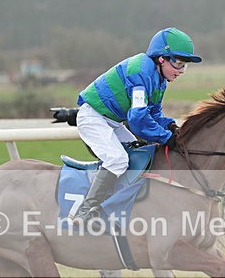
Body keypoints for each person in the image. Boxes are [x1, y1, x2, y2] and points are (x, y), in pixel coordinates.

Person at [71, 27, 202, 223]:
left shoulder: (159, 80)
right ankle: (85, 210)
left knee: (140, 155)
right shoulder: (140, 72)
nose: (181, 71)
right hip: (93, 118)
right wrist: (166, 138)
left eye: (185, 66)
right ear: (161, 58)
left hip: (112, 121)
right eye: (178, 63)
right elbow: (138, 119)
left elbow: (154, 113)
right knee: (118, 160)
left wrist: (170, 127)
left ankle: (121, 203)